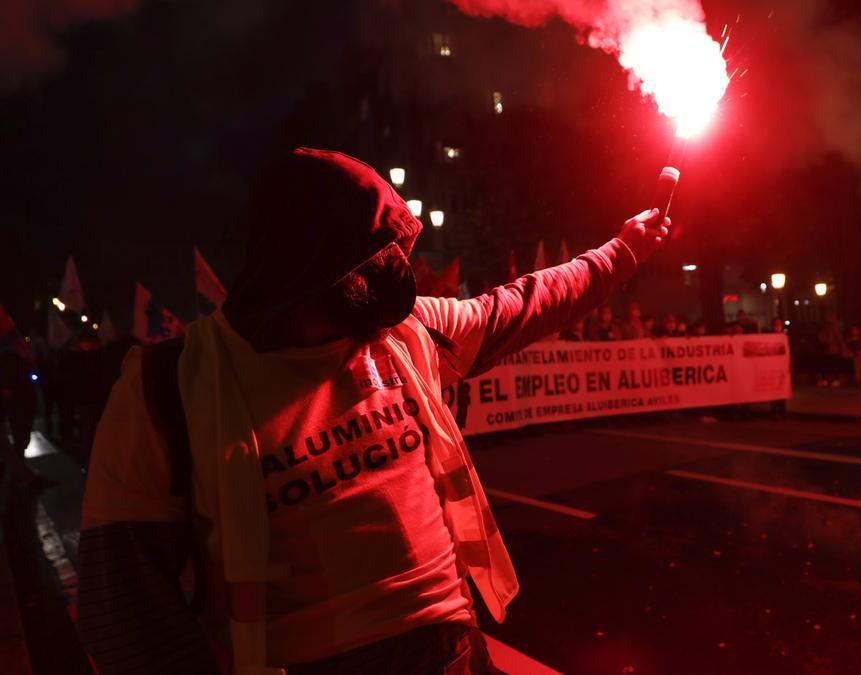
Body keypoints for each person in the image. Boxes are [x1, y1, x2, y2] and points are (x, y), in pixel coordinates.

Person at [76, 148, 670, 674]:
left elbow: (520, 305)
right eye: (378, 256)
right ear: (314, 267)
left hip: (453, 650)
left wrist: (625, 250)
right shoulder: (166, 386)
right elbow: (125, 607)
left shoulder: (403, 332)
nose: (396, 273)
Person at [0, 333, 52, 489]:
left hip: (24, 404)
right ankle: (24, 476)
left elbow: (33, 377)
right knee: (13, 443)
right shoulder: (9, 360)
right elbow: (8, 386)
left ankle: (22, 474)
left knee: (16, 442)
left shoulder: (22, 359)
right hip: (17, 406)